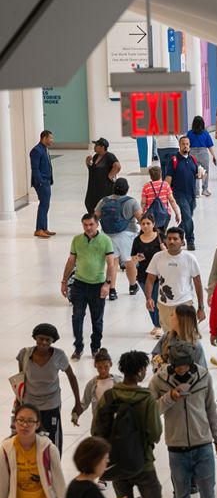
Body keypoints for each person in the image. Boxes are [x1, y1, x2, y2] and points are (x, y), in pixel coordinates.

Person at [92, 350, 165, 498]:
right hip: (142, 465)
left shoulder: (109, 397)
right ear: (142, 371)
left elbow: (96, 431)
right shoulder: (146, 399)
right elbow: (155, 433)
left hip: (116, 468)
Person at [151, 342, 217, 498]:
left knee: (208, 494)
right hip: (176, 447)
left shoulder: (203, 376)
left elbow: (211, 409)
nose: (181, 369)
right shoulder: (159, 380)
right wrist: (170, 397)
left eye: (185, 365)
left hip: (203, 444)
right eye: (177, 365)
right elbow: (151, 409)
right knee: (182, 496)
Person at [61, 213, 117, 361]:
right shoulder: (77, 240)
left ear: (97, 224)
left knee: (97, 319)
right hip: (79, 284)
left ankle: (95, 347)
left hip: (98, 285)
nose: (88, 227)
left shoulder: (105, 240)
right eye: (85, 225)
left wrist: (107, 284)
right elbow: (71, 261)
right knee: (77, 316)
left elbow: (111, 265)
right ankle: (78, 347)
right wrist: (64, 281)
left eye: (91, 224)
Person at [144, 225, 205, 333]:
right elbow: (150, 280)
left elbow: (198, 284)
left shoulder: (189, 258)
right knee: (169, 334)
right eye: (169, 238)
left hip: (184, 303)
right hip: (164, 305)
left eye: (175, 239)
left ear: (182, 242)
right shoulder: (158, 257)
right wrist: (148, 298)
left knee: (186, 334)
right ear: (165, 240)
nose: (171, 241)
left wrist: (201, 308)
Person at [93, 177, 142, 299]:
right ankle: (132, 286)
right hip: (127, 235)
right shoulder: (132, 202)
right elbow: (141, 219)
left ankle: (112, 290)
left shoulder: (104, 201)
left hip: (108, 235)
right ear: (127, 189)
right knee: (129, 261)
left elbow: (95, 217)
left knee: (112, 263)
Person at [164, 136, 202, 250]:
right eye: (183, 144)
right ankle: (190, 240)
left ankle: (177, 236)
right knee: (188, 217)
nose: (185, 146)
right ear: (179, 145)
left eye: (187, 144)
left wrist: (200, 174)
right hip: (179, 195)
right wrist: (164, 193)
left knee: (187, 218)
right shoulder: (174, 160)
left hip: (191, 194)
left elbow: (196, 174)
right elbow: (168, 178)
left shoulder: (192, 160)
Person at [83, 138, 120, 217]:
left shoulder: (109, 156)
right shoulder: (96, 156)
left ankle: (102, 224)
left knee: (102, 206)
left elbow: (117, 166)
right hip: (93, 187)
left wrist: (110, 175)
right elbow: (93, 170)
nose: (94, 147)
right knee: (89, 203)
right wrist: (88, 163)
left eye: (96, 145)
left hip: (104, 188)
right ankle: (93, 222)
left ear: (102, 147)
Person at [30, 129, 55, 238]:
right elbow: (35, 169)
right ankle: (39, 229)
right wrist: (41, 181)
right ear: (44, 138)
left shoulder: (44, 149)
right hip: (41, 182)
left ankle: (44, 228)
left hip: (46, 181)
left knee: (46, 205)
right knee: (43, 205)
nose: (52, 140)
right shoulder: (36, 150)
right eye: (50, 138)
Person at [185, 116, 216, 197]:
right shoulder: (205, 133)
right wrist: (214, 156)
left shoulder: (189, 133)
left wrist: (185, 155)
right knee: (205, 171)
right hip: (203, 153)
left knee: (194, 172)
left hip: (192, 153)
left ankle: (196, 192)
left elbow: (186, 144)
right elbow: (210, 146)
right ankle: (205, 190)